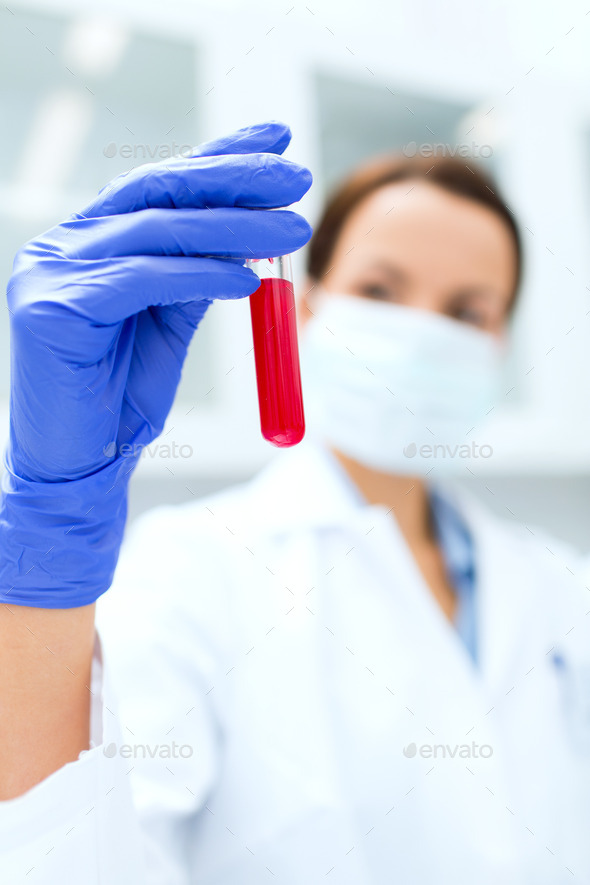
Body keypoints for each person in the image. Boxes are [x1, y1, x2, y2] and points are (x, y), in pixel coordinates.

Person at [0, 120, 588, 885]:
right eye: (380, 291)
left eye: (467, 310)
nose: (419, 331)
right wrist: (42, 568)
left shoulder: (558, 586)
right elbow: (77, 861)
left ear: (500, 344)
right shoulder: (191, 566)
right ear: (305, 310)